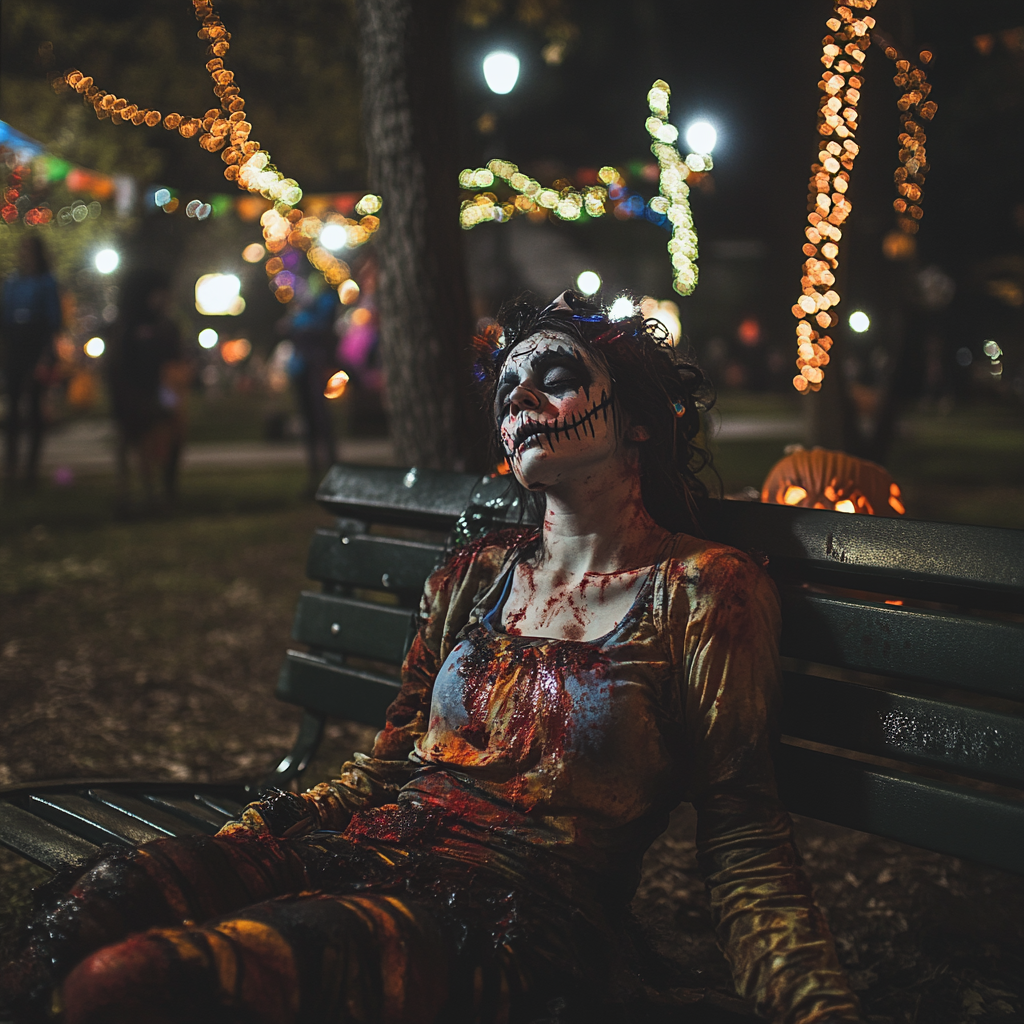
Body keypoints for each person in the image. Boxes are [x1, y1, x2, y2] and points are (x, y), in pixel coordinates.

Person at [0, 291, 861, 1023]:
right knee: (93, 911)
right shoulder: (475, 575)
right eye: (510, 387)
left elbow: (743, 832)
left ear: (638, 419)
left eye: (555, 379)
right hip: (369, 849)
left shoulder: (706, 590)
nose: (522, 397)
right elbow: (385, 768)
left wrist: (812, 1005)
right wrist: (253, 844)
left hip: (513, 920)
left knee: (130, 981)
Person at [106, 268, 191, 510]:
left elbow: (175, 361)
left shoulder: (167, 325)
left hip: (161, 390)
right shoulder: (128, 326)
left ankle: (162, 490)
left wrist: (171, 397)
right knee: (132, 442)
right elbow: (119, 364)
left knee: (165, 440)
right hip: (133, 392)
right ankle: (133, 493)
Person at [1, 234, 62, 491]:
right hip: (14, 344)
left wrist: (46, 352)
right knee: (13, 408)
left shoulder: (46, 283)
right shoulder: (13, 282)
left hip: (35, 344)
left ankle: (30, 470)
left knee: (34, 407)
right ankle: (11, 466)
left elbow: (53, 319)